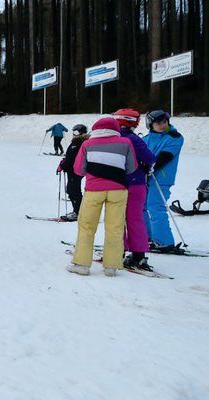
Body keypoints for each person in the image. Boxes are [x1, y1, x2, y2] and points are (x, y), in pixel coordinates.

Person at [68, 117, 137, 277]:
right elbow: (131, 168)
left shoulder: (87, 144)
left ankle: (82, 264)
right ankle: (111, 266)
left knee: (87, 226)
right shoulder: (126, 143)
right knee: (115, 227)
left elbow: (79, 170)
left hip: (94, 190)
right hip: (118, 190)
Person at [112, 108, 157, 271]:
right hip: (136, 183)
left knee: (116, 218)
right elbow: (150, 158)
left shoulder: (111, 138)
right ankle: (138, 255)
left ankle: (118, 251)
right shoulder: (133, 139)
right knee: (134, 218)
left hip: (115, 184)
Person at [143, 110, 184, 253]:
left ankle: (164, 242)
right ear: (150, 125)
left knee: (155, 207)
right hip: (145, 178)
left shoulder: (174, 137)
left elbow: (165, 157)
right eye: (158, 123)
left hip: (161, 179)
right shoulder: (146, 139)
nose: (162, 125)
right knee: (142, 207)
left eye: (164, 122)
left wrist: (150, 165)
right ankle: (146, 237)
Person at [57, 123, 88, 220]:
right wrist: (64, 162)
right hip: (76, 170)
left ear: (81, 133)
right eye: (73, 132)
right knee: (73, 190)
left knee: (73, 190)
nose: (74, 134)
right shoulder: (79, 142)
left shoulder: (78, 143)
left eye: (76, 132)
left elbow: (71, 158)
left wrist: (62, 165)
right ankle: (79, 211)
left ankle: (78, 213)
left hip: (75, 170)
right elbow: (70, 157)